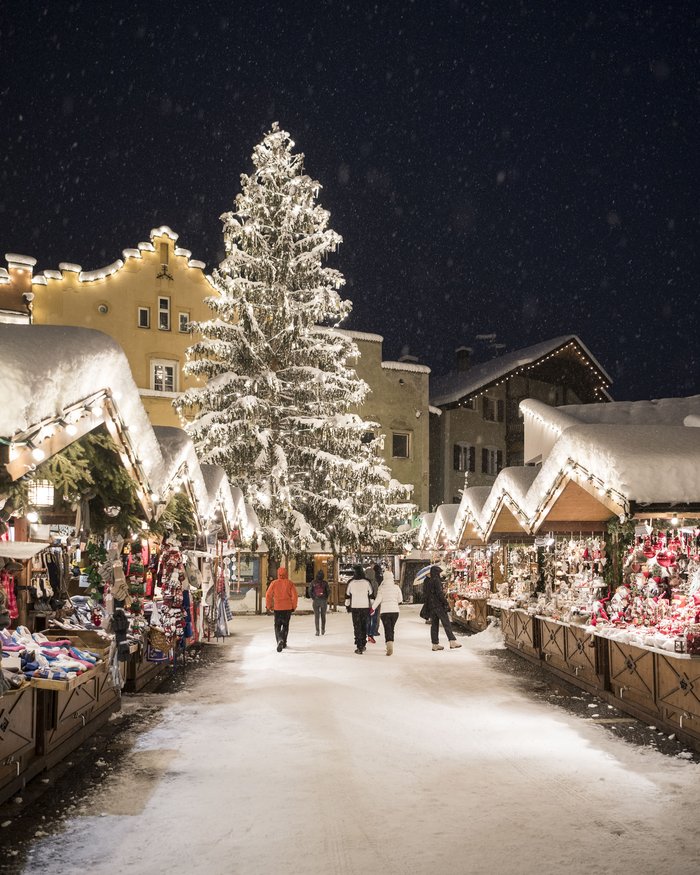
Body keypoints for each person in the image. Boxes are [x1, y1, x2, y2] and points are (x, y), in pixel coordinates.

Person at [423, 565, 462, 651]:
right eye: (439, 572)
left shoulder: (428, 581)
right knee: (446, 623)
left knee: (434, 625)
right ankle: (452, 641)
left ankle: (435, 644)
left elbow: (427, 594)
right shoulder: (436, 580)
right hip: (438, 605)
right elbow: (439, 594)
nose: (440, 574)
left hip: (432, 606)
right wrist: (445, 603)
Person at [265, 566, 298, 652]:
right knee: (286, 625)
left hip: (278, 607)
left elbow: (268, 595)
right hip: (287, 608)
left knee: (277, 625)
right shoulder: (290, 583)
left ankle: (279, 640)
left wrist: (269, 606)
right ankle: (284, 641)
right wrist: (293, 606)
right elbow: (294, 596)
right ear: (286, 574)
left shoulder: (274, 583)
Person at [371, 568, 403, 655]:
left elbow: (378, 599)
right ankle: (390, 643)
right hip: (395, 611)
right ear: (392, 577)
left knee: (387, 628)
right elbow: (400, 600)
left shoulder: (381, 588)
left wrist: (372, 608)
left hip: (385, 612)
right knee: (391, 628)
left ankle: (388, 643)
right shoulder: (396, 587)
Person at [345, 565, 373, 654]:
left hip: (355, 607)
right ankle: (363, 644)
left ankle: (359, 645)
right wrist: (372, 606)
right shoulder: (367, 582)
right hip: (365, 607)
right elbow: (371, 595)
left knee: (357, 626)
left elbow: (347, 596)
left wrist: (347, 605)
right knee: (364, 625)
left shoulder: (351, 582)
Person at [310, 569, 330, 635]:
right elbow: (328, 591)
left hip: (316, 600)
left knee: (316, 616)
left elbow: (310, 591)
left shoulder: (313, 582)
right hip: (323, 601)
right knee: (323, 615)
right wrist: (326, 597)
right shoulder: (325, 583)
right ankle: (323, 629)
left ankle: (317, 630)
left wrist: (313, 597)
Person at [367, 562, 383, 643]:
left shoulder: (365, 582)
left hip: (367, 602)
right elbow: (377, 592)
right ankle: (373, 631)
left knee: (368, 618)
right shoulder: (378, 579)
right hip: (375, 602)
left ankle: (368, 631)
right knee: (375, 617)